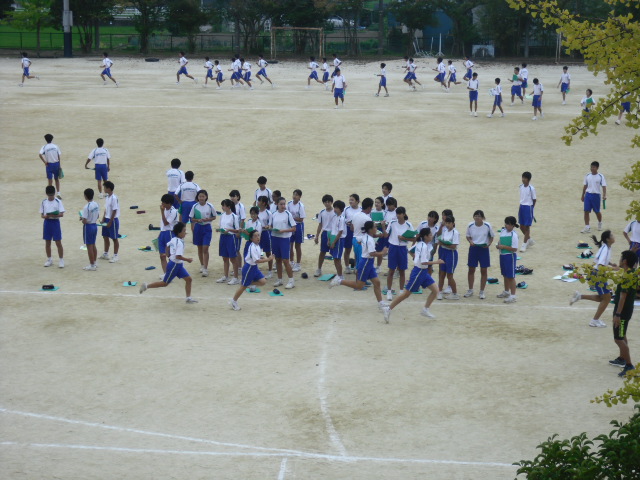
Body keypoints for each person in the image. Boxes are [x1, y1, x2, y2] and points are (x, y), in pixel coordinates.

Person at [381, 228, 445, 323]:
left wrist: (416, 257)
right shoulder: (423, 246)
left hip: (423, 272)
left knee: (435, 290)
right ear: (426, 236)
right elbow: (423, 262)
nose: (432, 236)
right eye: (430, 235)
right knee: (406, 294)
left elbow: (410, 250)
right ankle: (388, 308)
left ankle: (425, 309)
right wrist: (437, 262)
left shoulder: (421, 244)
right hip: (418, 272)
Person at [330, 221, 389, 311]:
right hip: (366, 263)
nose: (376, 229)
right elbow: (372, 253)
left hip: (368, 262)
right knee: (359, 286)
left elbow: (358, 241)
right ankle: (339, 281)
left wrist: (367, 246)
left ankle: (381, 303)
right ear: (370, 229)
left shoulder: (365, 236)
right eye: (375, 227)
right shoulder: (369, 240)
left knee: (377, 282)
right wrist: (383, 253)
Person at [140, 222, 198, 304]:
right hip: (174, 265)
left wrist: (168, 254)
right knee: (165, 283)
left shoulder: (174, 239)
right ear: (179, 233)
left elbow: (167, 246)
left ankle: (188, 298)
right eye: (184, 231)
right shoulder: (179, 243)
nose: (185, 233)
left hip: (178, 265)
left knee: (189, 279)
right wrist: (187, 259)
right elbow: (178, 256)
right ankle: (146, 286)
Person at [570, 230, 617, 327]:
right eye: (612, 235)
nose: (614, 236)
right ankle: (594, 320)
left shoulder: (606, 247)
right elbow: (600, 265)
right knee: (607, 298)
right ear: (608, 239)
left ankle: (580, 296)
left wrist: (611, 264)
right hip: (598, 275)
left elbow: (599, 259)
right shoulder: (605, 249)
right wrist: (614, 269)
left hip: (599, 275)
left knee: (603, 298)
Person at [608, 250, 638, 377]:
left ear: (625, 261)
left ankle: (629, 365)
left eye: (621, 258)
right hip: (627, 309)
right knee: (622, 333)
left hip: (622, 311)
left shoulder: (626, 277)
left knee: (618, 338)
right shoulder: (631, 273)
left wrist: (618, 314)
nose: (619, 260)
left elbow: (622, 297)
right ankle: (622, 358)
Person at [229, 230, 275, 311]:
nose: (258, 237)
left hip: (254, 268)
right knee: (243, 287)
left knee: (263, 281)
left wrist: (264, 257)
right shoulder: (252, 247)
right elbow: (256, 260)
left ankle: (247, 282)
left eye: (258, 235)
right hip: (249, 268)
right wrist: (268, 259)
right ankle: (234, 301)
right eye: (255, 236)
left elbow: (259, 256)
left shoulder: (257, 245)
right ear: (251, 238)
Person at [385, 206, 415, 301]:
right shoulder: (392, 223)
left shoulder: (408, 225)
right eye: (397, 214)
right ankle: (389, 291)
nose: (398, 215)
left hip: (402, 248)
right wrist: (383, 226)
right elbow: (386, 234)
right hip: (393, 247)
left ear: (404, 214)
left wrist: (404, 238)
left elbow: (414, 238)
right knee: (391, 270)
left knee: (402, 271)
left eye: (400, 214)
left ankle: (401, 291)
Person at [464, 210, 495, 299]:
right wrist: (470, 241)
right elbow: (468, 236)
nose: (477, 217)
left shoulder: (487, 226)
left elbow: (492, 236)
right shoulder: (470, 225)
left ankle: (482, 291)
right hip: (473, 248)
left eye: (479, 216)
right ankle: (470, 290)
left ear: (483, 218)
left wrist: (489, 244)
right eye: (475, 216)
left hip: (484, 249)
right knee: (471, 269)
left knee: (484, 270)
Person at [269, 197, 297, 289]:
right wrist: (270, 228)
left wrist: (283, 230)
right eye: (281, 204)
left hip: (284, 239)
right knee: (277, 259)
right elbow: (270, 225)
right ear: (277, 204)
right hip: (275, 238)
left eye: (284, 204)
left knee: (285, 260)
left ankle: (291, 280)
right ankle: (279, 279)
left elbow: (294, 228)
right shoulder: (273, 214)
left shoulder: (288, 214)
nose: (283, 206)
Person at [189, 190, 216, 277]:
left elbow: (214, 216)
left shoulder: (210, 206)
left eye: (203, 196)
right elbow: (192, 218)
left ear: (206, 197)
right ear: (197, 197)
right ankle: (202, 264)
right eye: (200, 196)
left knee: (205, 248)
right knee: (199, 248)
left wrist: (208, 219)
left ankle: (205, 268)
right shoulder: (195, 206)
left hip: (207, 227)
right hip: (198, 227)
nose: (201, 198)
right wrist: (198, 220)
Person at [217, 199, 240, 285]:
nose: (222, 207)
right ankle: (226, 276)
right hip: (223, 237)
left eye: (224, 206)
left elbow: (237, 230)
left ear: (228, 207)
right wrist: (219, 230)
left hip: (231, 237)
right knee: (225, 257)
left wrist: (229, 230)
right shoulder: (222, 215)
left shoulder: (234, 216)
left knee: (233, 258)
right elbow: (221, 226)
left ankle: (236, 277)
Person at [496, 216, 519, 303]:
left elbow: (514, 249)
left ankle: (513, 296)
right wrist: (498, 245)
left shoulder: (514, 235)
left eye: (508, 224)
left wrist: (503, 247)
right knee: (505, 275)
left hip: (510, 256)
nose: (506, 225)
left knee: (511, 276)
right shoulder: (503, 231)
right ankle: (506, 291)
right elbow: (500, 241)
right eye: (506, 223)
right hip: (502, 255)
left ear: (513, 225)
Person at [40, 185, 64, 268]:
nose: (51, 197)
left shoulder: (58, 201)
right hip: (47, 223)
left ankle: (61, 260)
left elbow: (61, 214)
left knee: (58, 242)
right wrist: (45, 216)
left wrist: (53, 215)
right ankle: (49, 259)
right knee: (47, 242)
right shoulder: (44, 202)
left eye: (52, 195)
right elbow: (42, 215)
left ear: (54, 193)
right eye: (50, 195)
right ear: (47, 194)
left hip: (55, 223)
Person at [436, 215, 460, 300]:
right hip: (443, 252)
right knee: (442, 273)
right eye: (446, 223)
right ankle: (439, 292)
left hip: (451, 254)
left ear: (453, 223)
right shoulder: (445, 230)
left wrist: (443, 244)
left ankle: (455, 293)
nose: (447, 224)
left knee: (449, 275)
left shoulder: (455, 233)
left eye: (449, 223)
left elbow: (453, 246)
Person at [581, 161, 607, 233]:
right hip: (588, 195)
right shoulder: (587, 175)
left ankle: (600, 223)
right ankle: (587, 227)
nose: (592, 168)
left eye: (594, 167)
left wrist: (604, 195)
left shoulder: (600, 176)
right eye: (591, 167)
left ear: (597, 168)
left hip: (596, 195)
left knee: (597, 211)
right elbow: (585, 186)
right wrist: (583, 195)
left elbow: (604, 186)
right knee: (586, 211)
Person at [156, 194, 179, 275]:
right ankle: (166, 274)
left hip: (170, 233)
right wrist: (160, 233)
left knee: (170, 255)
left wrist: (162, 212)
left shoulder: (174, 211)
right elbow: (163, 225)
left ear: (169, 203)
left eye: (164, 203)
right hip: (163, 233)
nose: (162, 204)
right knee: (162, 255)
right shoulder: (165, 209)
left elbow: (166, 223)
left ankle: (171, 273)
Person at [100, 181, 120, 263]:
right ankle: (105, 253)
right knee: (105, 236)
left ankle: (115, 255)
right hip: (107, 219)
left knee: (114, 238)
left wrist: (110, 222)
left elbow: (114, 210)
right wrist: (103, 219)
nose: (104, 189)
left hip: (113, 220)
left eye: (104, 187)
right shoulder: (107, 197)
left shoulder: (114, 198)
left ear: (108, 188)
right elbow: (106, 209)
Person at [314, 194, 334, 277]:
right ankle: (319, 269)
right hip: (325, 233)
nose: (327, 203)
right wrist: (317, 236)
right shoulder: (322, 212)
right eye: (325, 202)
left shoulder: (335, 212)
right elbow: (320, 225)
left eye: (328, 202)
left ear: (331, 202)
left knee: (335, 253)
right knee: (322, 251)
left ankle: (338, 272)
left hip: (333, 234)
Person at [80, 188, 100, 271]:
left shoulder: (86, 207)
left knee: (89, 246)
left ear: (85, 196)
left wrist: (82, 219)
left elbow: (84, 221)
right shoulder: (96, 204)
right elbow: (98, 216)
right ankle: (94, 262)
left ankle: (92, 265)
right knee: (93, 244)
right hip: (94, 225)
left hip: (88, 227)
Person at [351, 197, 374, 268]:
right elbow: (371, 233)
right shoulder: (368, 219)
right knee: (362, 263)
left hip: (355, 239)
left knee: (358, 260)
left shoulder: (355, 215)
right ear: (369, 208)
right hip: (362, 241)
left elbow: (352, 228)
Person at [287, 189, 306, 272]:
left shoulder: (301, 206)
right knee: (290, 244)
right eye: (294, 194)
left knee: (297, 246)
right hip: (291, 225)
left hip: (298, 226)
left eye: (297, 195)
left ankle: (298, 264)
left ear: (300, 197)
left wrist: (291, 218)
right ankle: (291, 262)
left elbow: (301, 219)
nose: (294, 196)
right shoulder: (289, 204)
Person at [342, 194, 361, 274]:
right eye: (350, 200)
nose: (350, 201)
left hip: (357, 231)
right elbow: (342, 218)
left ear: (357, 201)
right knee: (348, 249)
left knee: (356, 250)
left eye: (352, 200)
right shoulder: (346, 209)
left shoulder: (361, 209)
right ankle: (347, 267)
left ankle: (356, 266)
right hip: (348, 231)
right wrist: (347, 222)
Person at [39, 133, 62, 198]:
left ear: (45, 139)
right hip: (56, 164)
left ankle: (50, 194)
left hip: (49, 165)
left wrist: (44, 162)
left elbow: (40, 154)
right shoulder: (55, 146)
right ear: (52, 139)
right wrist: (59, 165)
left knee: (50, 180)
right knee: (56, 179)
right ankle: (58, 193)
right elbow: (58, 155)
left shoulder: (44, 147)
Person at [328, 200, 346, 281]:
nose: (335, 209)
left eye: (337, 208)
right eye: (334, 207)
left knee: (337, 258)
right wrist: (329, 239)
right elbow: (331, 229)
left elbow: (340, 232)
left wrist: (334, 242)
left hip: (338, 240)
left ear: (341, 209)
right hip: (333, 238)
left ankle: (340, 275)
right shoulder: (334, 217)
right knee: (335, 258)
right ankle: (338, 274)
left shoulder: (341, 219)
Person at [518, 171, 537, 252]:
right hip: (521, 207)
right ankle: (529, 240)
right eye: (522, 178)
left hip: (528, 207)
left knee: (527, 227)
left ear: (528, 179)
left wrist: (531, 208)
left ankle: (524, 244)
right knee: (521, 226)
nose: (523, 179)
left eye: (525, 178)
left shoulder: (531, 188)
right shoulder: (521, 186)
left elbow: (534, 199)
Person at [257, 196, 274, 277]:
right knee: (256, 251)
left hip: (265, 233)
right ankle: (256, 269)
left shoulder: (268, 213)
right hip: (257, 233)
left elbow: (270, 225)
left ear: (263, 203)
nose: (257, 202)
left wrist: (266, 226)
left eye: (259, 201)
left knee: (268, 252)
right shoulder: (256, 211)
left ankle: (270, 271)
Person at [229, 189, 247, 263]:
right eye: (231, 197)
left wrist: (239, 232)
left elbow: (242, 220)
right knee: (233, 249)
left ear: (238, 197)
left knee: (237, 249)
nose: (232, 198)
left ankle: (239, 267)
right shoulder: (230, 205)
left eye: (234, 196)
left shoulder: (240, 206)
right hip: (231, 229)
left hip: (237, 230)